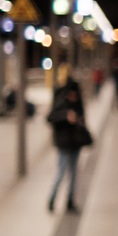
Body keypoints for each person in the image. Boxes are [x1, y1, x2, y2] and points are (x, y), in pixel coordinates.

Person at [47, 81, 92, 212]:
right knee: (61, 172)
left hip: (75, 144)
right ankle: (52, 199)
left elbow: (83, 121)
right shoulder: (61, 103)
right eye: (71, 94)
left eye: (75, 95)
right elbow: (50, 118)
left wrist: (78, 121)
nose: (73, 97)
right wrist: (65, 117)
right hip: (63, 144)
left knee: (73, 173)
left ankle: (70, 201)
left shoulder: (79, 105)